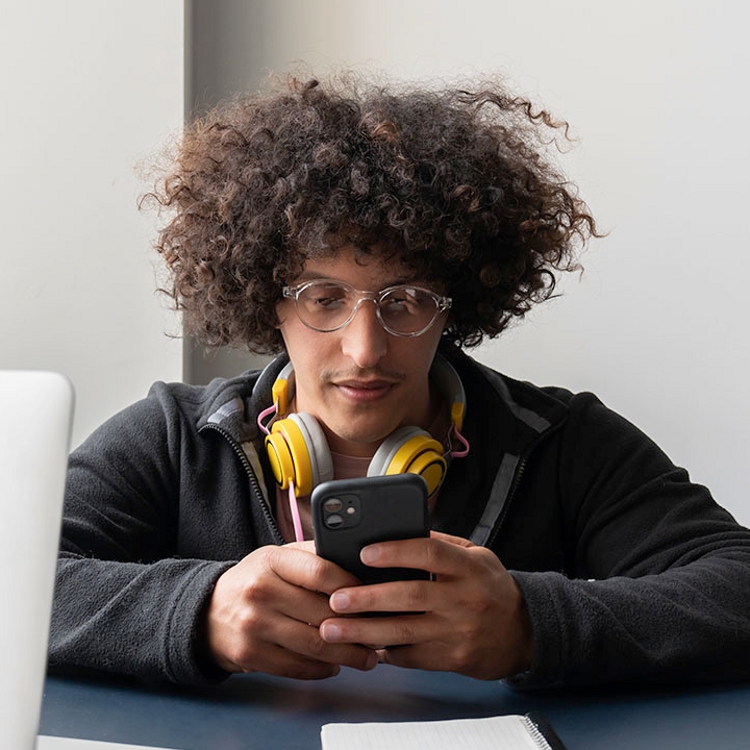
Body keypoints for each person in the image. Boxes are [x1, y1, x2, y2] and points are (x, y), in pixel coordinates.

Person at [50, 72, 750, 689]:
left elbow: (735, 584)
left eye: (406, 300)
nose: (365, 349)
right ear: (268, 300)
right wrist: (198, 612)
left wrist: (534, 625)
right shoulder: (177, 437)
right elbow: (16, 579)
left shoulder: (561, 443)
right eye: (323, 299)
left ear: (457, 302)